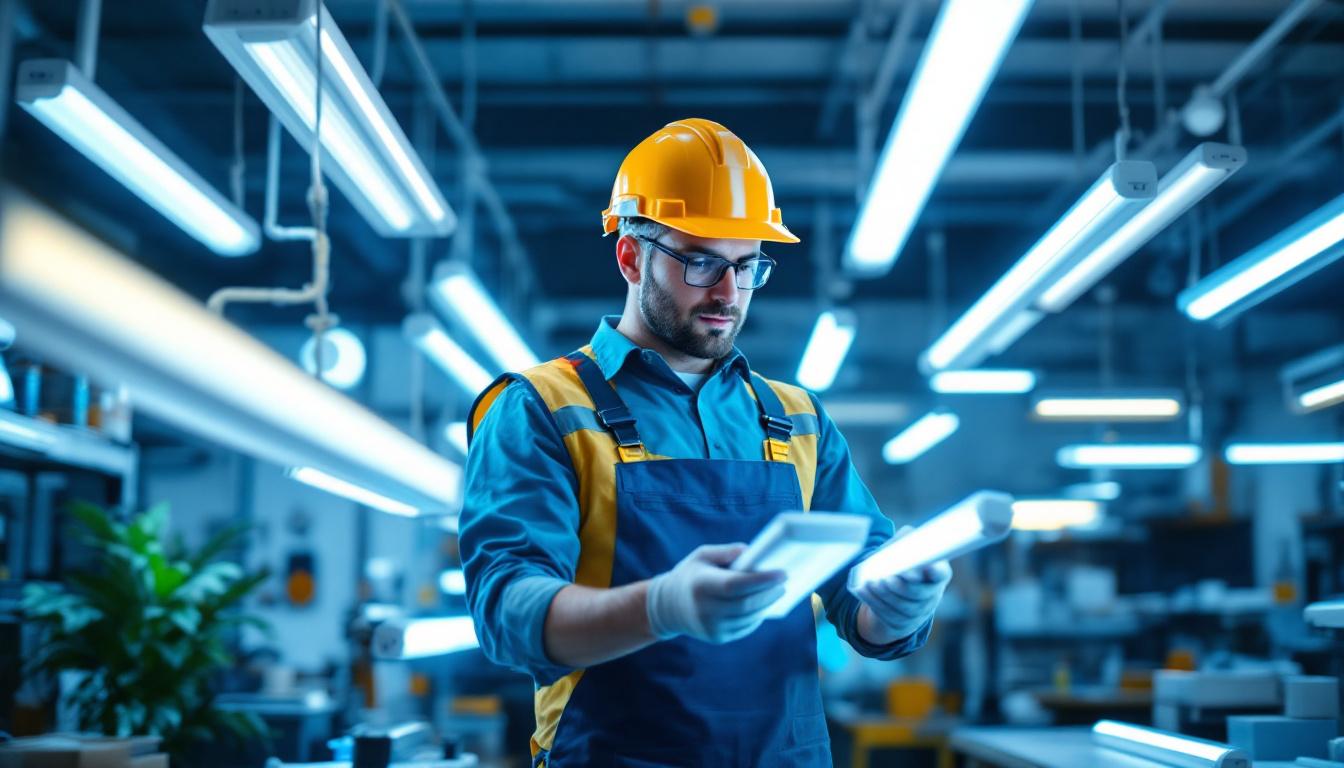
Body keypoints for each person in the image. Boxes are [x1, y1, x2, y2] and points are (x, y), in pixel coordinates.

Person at [460, 118, 952, 767]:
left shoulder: (797, 418)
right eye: (701, 261)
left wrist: (901, 605)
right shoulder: (540, 408)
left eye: (747, 267)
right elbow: (508, 610)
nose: (727, 293)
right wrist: (661, 606)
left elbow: (860, 609)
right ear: (631, 257)